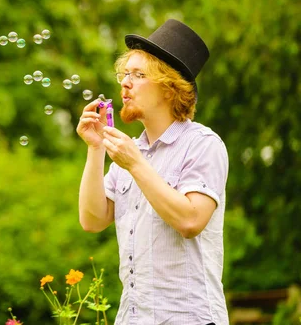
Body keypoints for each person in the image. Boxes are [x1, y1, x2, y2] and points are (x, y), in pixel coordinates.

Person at [77, 19, 228, 324]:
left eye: (139, 75)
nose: (125, 82)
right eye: (125, 73)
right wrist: (95, 149)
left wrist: (134, 164)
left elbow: (190, 220)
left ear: (170, 88)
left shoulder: (202, 145)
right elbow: (92, 220)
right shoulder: (131, 151)